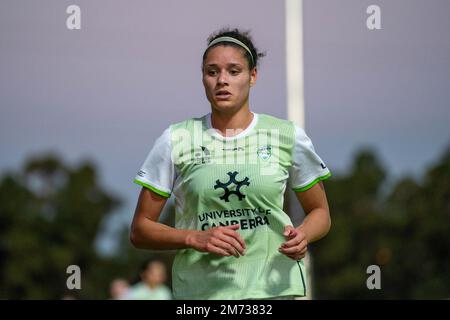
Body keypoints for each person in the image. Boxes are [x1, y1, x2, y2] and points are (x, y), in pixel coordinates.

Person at [130, 27, 331, 300]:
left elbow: (321, 213)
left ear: (253, 76)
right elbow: (140, 229)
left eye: (234, 71)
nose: (222, 80)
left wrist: (303, 235)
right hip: (201, 295)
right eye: (212, 72)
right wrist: (194, 238)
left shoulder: (286, 135)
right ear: (203, 78)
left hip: (271, 293)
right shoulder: (176, 138)